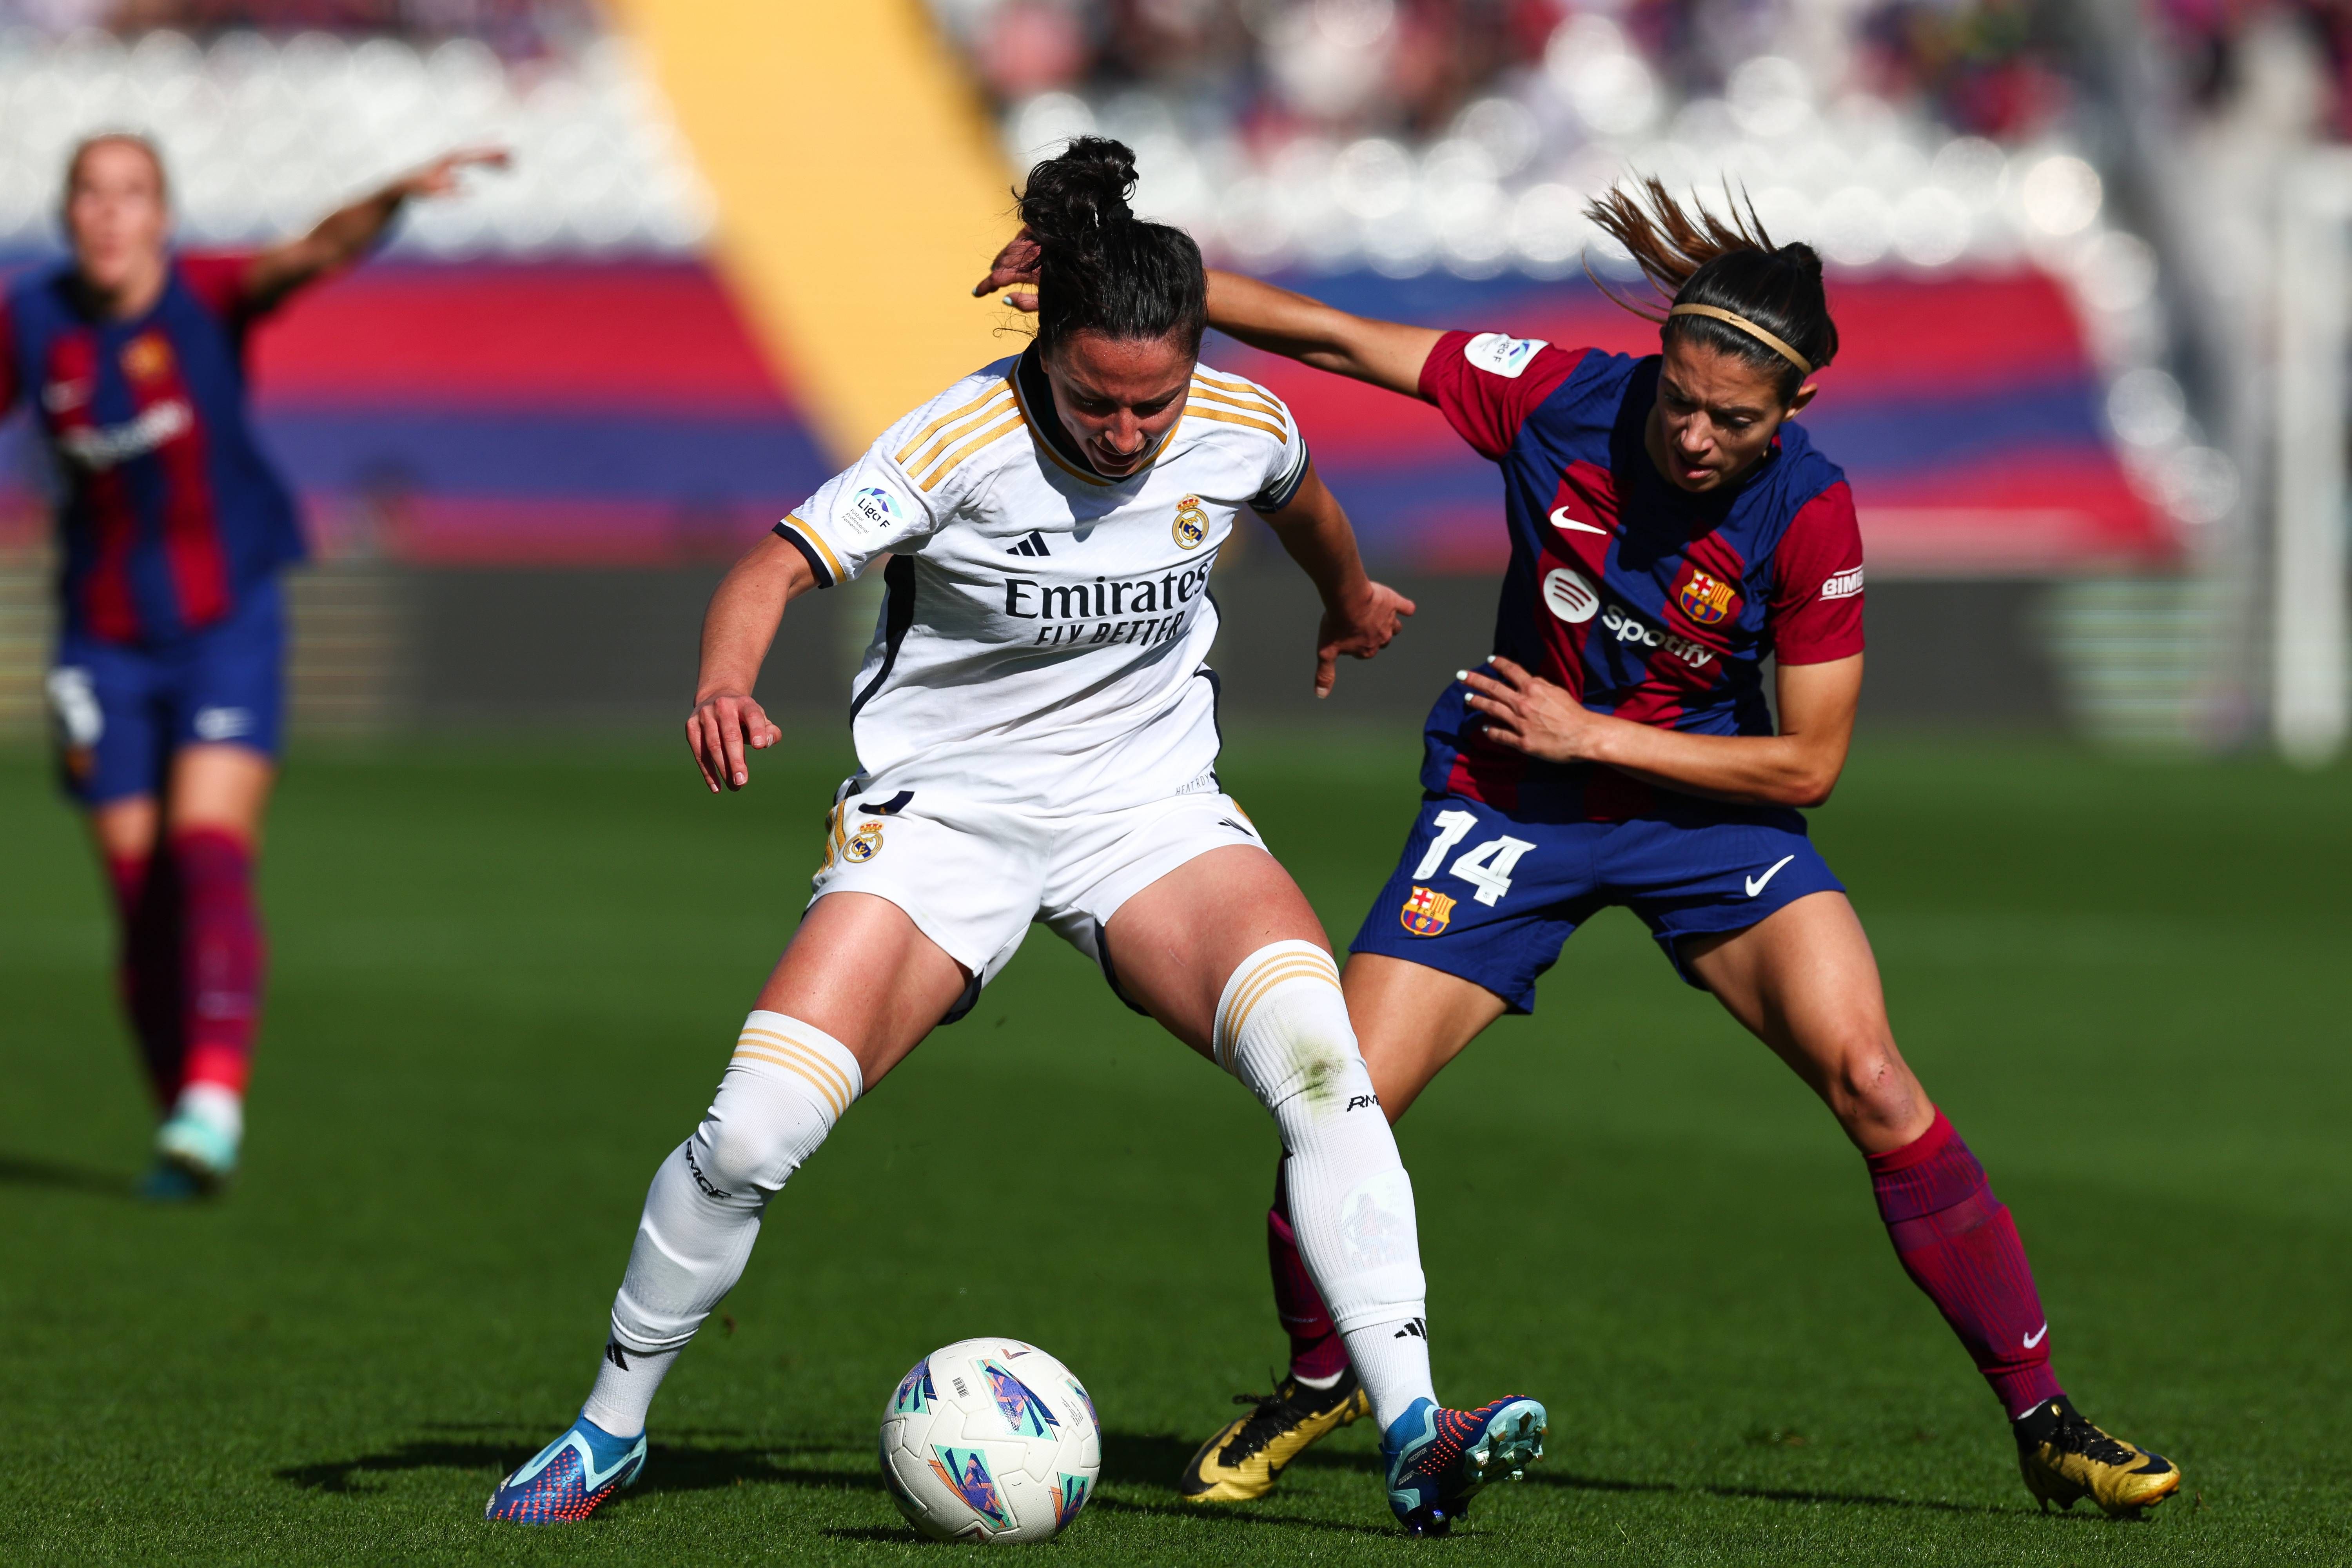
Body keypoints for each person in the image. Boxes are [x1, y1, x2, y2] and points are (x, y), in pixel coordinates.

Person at [975, 176, 2185, 1520]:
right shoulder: (1558, 396)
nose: (1694, 434)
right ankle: (1322, 1378)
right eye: (1679, 397)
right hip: (1508, 807)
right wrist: (1104, 272)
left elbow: (1810, 763)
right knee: (1334, 1091)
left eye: (1734, 419)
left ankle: (2047, 1419)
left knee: (1877, 1081)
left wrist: (1594, 736)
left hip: (1704, 814)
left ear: (1791, 414)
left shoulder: (1815, 512)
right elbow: (1332, 336)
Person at [484, 138, 1546, 1536]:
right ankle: (607, 1434)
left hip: (1149, 815)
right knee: (747, 1139)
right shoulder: (954, 445)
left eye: (1152, 405)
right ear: (1044, 352)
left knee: (1324, 1070)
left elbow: (1303, 504)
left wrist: (1350, 601)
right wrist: (725, 683)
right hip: (947, 822)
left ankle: (1416, 1425)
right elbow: (769, 566)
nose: (1127, 435)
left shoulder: (1238, 420)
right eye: (1097, 403)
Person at [3, 134, 505, 1198]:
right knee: (139, 897)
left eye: (130, 195)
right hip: (98, 641)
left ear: (161, 215)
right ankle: (181, 1115)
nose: (108, 213)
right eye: (90, 194)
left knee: (209, 851)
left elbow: (315, 251)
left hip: (225, 620)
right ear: (66, 212)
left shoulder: (205, 299)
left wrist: (389, 197)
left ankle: (216, 1097)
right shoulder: (31, 321)